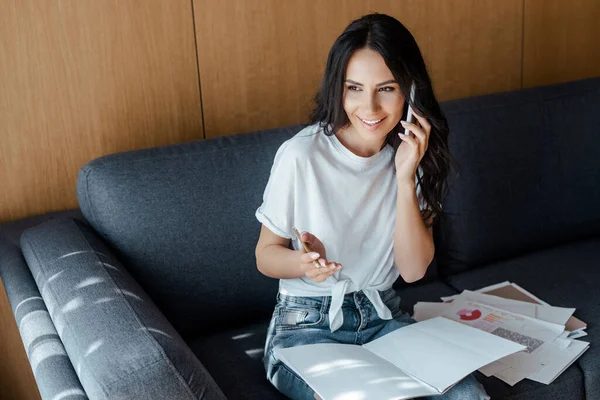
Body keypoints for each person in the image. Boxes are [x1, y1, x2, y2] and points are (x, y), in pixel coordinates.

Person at [255, 13, 490, 400]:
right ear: (338, 89)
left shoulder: (414, 157)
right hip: (305, 326)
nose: (370, 107)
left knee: (468, 396)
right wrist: (303, 265)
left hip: (384, 318)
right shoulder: (301, 155)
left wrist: (402, 177)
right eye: (354, 88)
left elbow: (413, 271)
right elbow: (265, 255)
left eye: (386, 88)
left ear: (410, 92)